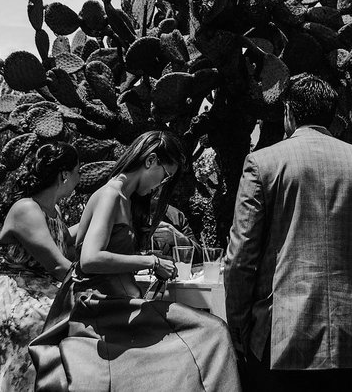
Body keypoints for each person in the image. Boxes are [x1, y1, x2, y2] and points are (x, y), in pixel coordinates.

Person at [224, 73, 352, 392]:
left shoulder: (263, 163)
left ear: (289, 113)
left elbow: (240, 258)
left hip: (277, 336)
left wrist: (239, 326)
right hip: (350, 335)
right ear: (334, 119)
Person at [29, 130, 241, 392]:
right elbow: (91, 258)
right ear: (150, 160)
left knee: (210, 331)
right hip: (100, 309)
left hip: (118, 304)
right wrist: (150, 262)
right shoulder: (110, 195)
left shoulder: (127, 200)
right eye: (164, 176)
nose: (161, 185)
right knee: (211, 332)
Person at [0, 143, 79, 391]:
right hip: (10, 302)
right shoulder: (26, 209)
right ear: (64, 175)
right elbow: (59, 265)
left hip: (36, 297)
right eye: (78, 171)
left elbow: (69, 241)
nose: (80, 178)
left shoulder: (54, 211)